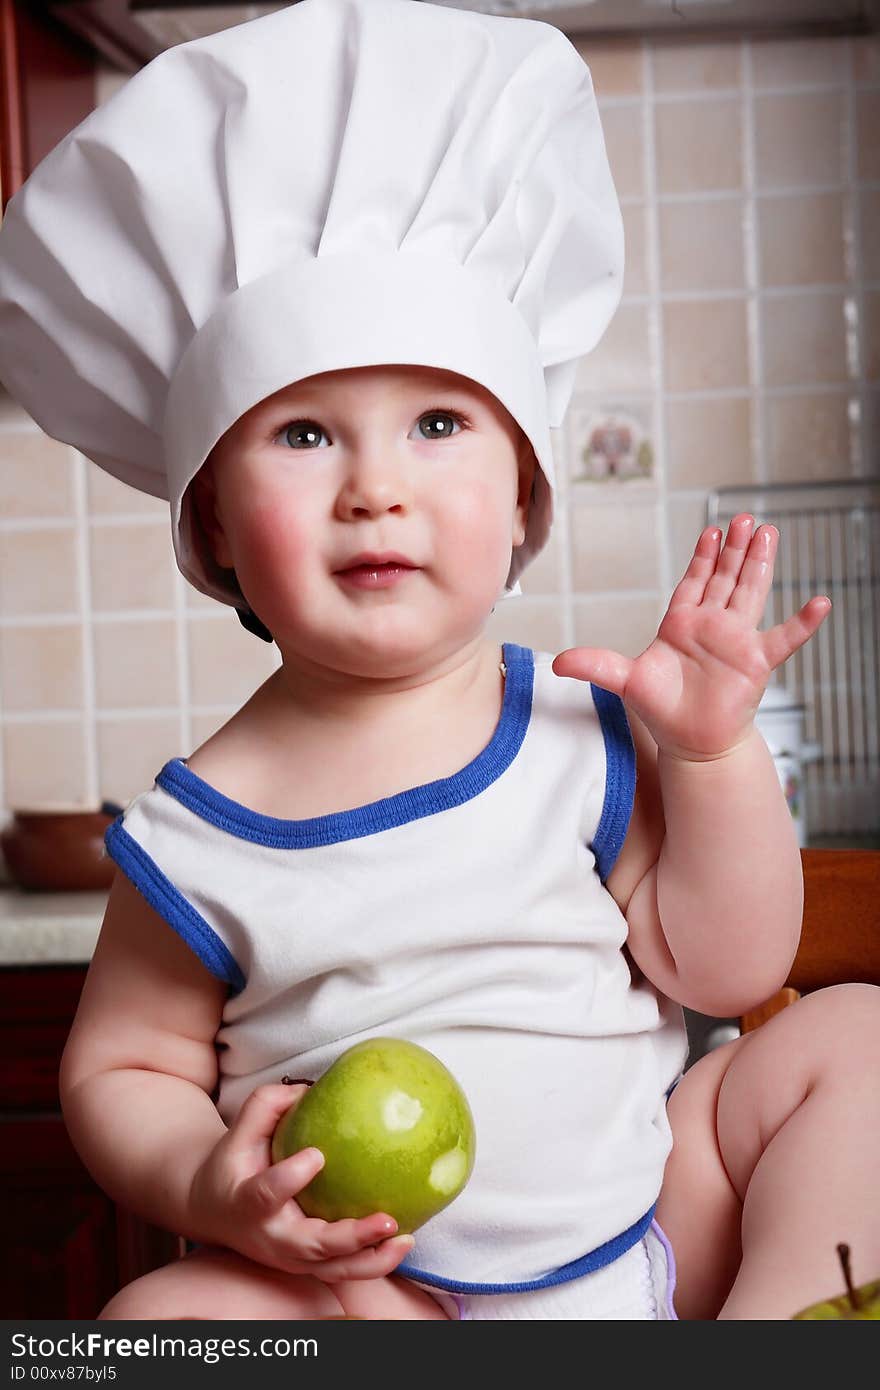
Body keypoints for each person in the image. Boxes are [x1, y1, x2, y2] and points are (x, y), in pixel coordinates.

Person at [0, 0, 877, 1323]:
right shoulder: (198, 828)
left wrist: (709, 755)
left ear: (523, 494)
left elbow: (730, 970)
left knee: (853, 1040)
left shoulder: (578, 729)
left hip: (653, 1248)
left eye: (435, 422)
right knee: (165, 1325)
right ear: (215, 525)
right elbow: (119, 1071)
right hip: (393, 1304)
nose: (375, 489)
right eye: (302, 435)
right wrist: (209, 1180)